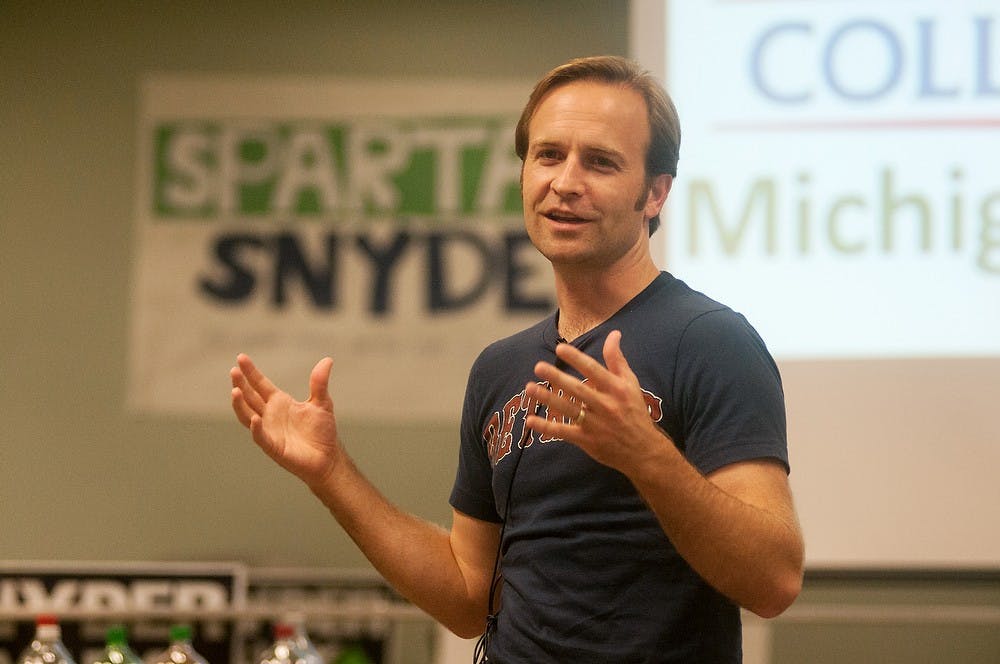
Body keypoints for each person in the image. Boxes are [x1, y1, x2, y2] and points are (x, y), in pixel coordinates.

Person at [231, 55, 804, 662]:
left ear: (655, 194)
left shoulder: (711, 340)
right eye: (548, 155)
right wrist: (331, 473)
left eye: (601, 161)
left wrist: (647, 457)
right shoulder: (500, 368)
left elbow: (773, 581)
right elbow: (466, 597)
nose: (566, 182)